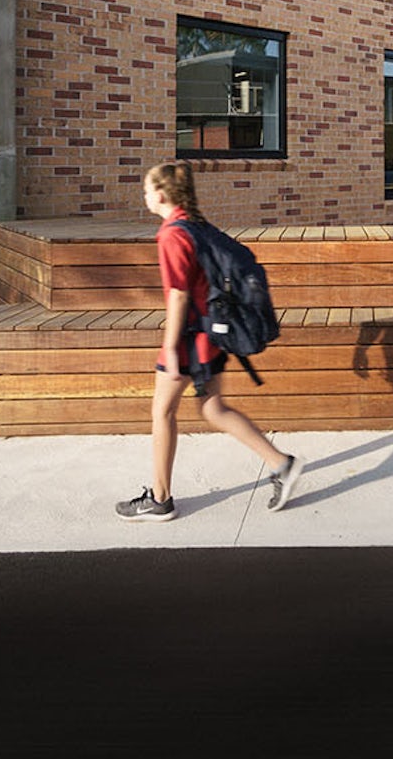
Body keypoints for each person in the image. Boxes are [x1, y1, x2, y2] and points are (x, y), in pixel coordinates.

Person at [116, 160, 300, 521]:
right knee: (213, 408)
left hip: (189, 339)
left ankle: (160, 499)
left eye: (147, 190)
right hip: (212, 335)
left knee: (162, 411)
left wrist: (169, 347)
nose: (145, 196)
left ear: (163, 194)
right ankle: (282, 464)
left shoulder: (172, 234)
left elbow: (179, 295)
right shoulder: (195, 225)